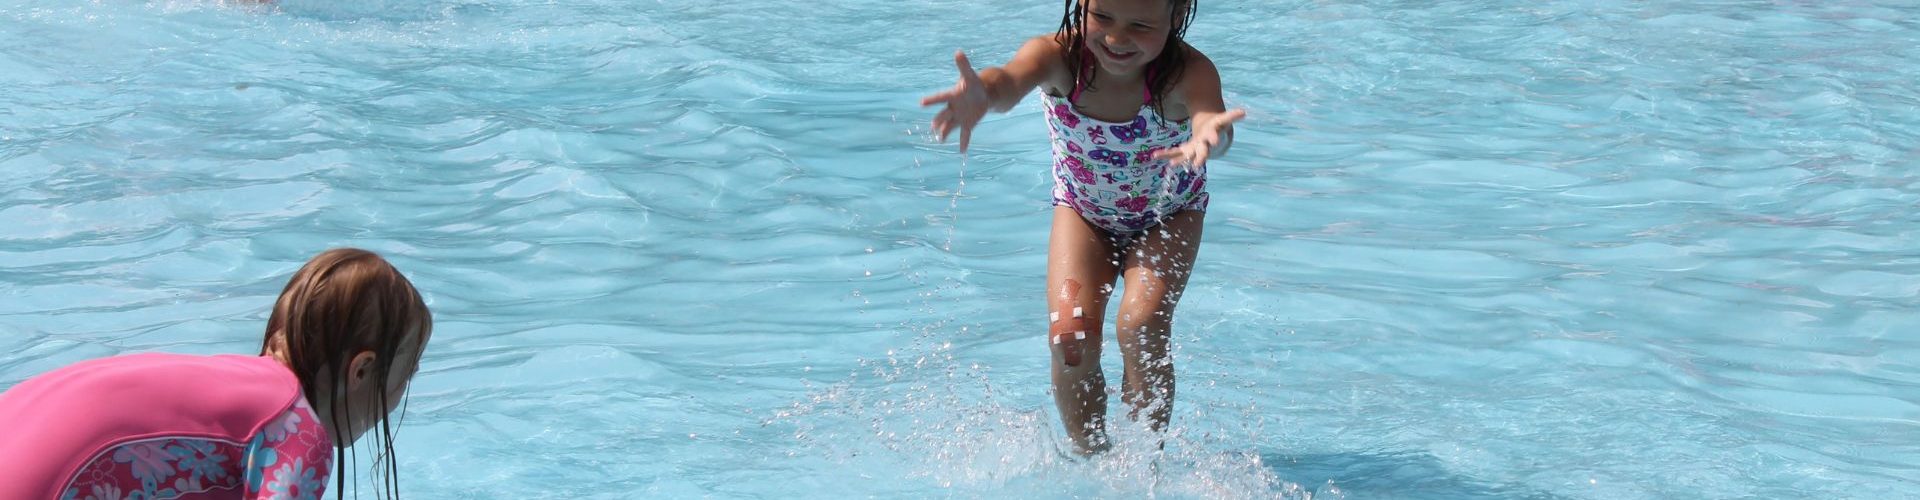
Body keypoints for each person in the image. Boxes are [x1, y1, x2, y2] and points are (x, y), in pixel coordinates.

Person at [920, 0, 1246, 454]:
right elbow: (1009, 81)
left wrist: (1212, 134)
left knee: (1142, 323)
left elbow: (1211, 116)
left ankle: (1142, 466)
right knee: (1070, 338)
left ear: (1177, 14)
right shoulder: (1058, 59)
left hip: (1169, 216)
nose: (1116, 38)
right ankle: (1093, 461)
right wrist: (985, 95)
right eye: (1104, 18)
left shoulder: (1188, 74)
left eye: (1139, 25)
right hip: (1084, 213)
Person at [0, 248, 433, 499]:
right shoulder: (297, 431)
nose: (398, 397)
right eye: (406, 375)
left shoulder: (235, 394)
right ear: (362, 370)